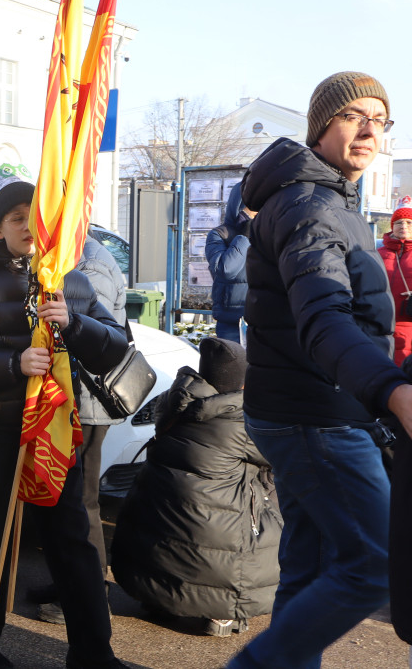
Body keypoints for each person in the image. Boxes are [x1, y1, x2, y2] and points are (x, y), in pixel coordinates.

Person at [229, 72, 412, 669]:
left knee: (308, 566)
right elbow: (325, 319)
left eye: (379, 120)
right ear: (321, 126)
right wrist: (392, 390)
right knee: (377, 562)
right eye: (353, 116)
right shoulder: (311, 206)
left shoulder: (330, 199)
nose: (368, 130)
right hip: (316, 414)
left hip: (306, 406)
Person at [0, 173, 129, 669]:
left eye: (35, 217)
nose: (27, 226)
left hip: (58, 430)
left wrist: (75, 323)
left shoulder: (74, 282)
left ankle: (93, 651)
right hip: (0, 431)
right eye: (16, 218)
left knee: (72, 539)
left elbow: (116, 347)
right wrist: (12, 365)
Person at [111, 337, 282, 637]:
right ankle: (221, 612)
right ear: (240, 382)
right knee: (273, 503)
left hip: (154, 529)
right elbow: (282, 456)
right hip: (215, 535)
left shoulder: (174, 402)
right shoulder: (240, 422)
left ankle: (160, 596)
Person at [33, 229, 129, 625]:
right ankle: (66, 583)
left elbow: (100, 339)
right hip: (76, 399)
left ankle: (94, 590)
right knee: (66, 499)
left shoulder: (88, 265)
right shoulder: (79, 258)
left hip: (87, 403)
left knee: (84, 501)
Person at [205, 182, 255, 342]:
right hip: (232, 322)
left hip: (264, 318)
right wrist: (245, 236)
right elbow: (226, 269)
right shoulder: (220, 234)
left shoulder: (267, 232)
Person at [379, 196, 412, 367]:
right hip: (379, 324)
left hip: (408, 326)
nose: (404, 226)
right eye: (399, 222)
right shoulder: (377, 253)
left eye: (409, 222)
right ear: (392, 226)